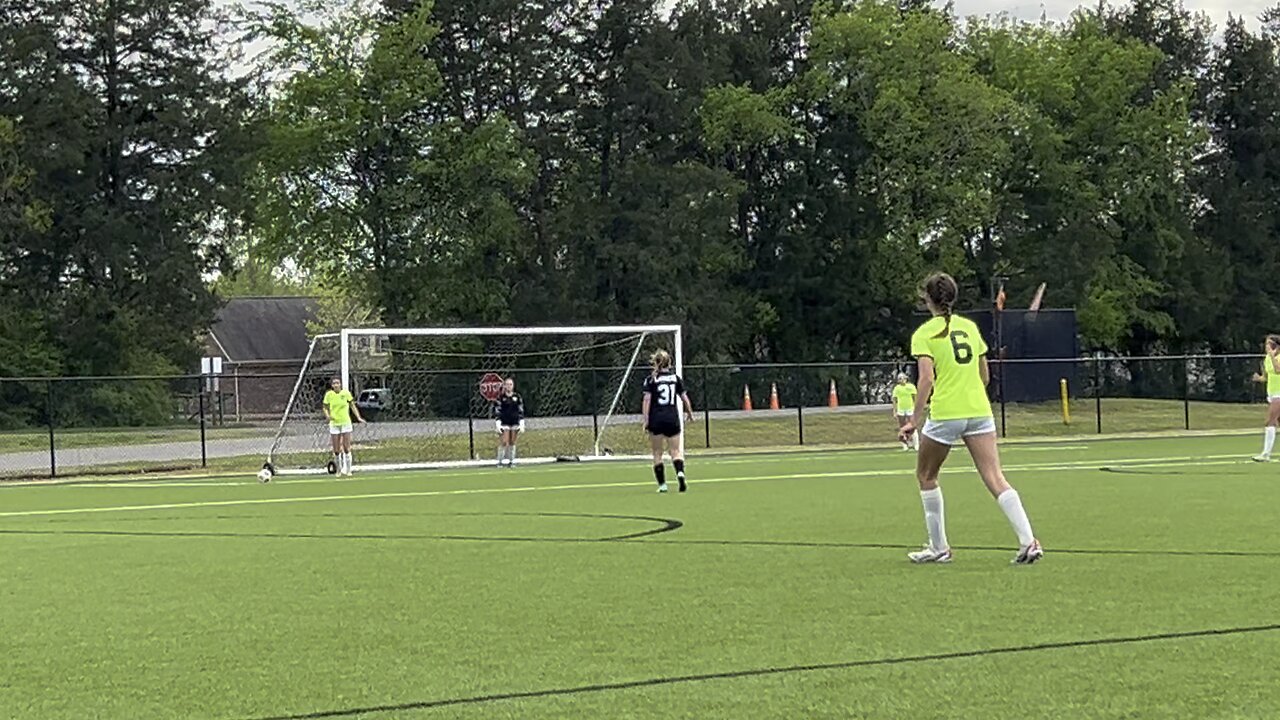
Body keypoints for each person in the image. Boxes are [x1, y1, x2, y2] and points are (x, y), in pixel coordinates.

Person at [898, 272, 1043, 565]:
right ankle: (1028, 541)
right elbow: (985, 376)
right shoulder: (969, 328)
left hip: (947, 413)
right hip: (979, 410)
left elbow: (926, 379)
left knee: (926, 476)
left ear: (928, 299)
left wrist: (914, 419)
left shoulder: (925, 333)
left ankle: (939, 548)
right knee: (995, 477)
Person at [642, 350, 695, 493]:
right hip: (672, 418)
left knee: (657, 453)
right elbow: (684, 398)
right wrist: (689, 413)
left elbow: (647, 400)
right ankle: (680, 473)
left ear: (656, 363)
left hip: (656, 419)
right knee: (676, 451)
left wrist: (646, 419)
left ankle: (662, 485)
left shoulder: (651, 379)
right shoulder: (676, 378)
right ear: (669, 363)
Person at [322, 377, 364, 477]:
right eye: (334, 383)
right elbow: (325, 407)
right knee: (336, 449)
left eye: (337, 383)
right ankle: (338, 470)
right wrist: (327, 416)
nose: (336, 385)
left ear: (340, 384)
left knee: (346, 447)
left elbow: (352, 405)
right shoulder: (329, 395)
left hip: (345, 422)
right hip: (334, 423)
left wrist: (358, 417)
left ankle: (349, 470)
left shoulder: (346, 394)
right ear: (332, 385)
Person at [1251, 335, 1280, 462]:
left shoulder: (1276, 357)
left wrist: (1273, 356)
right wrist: (1259, 378)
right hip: (1272, 393)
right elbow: (1266, 377)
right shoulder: (1267, 358)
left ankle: (1266, 454)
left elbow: (1278, 370)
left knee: (1270, 421)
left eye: (1269, 343)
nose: (1266, 346)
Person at [494, 377, 525, 467]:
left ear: (513, 386)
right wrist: (498, 422)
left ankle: (512, 461)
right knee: (504, 441)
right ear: (504, 386)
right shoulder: (500, 398)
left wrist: (522, 422)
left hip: (514, 421)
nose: (509, 386)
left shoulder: (517, 397)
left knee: (512, 442)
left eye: (510, 384)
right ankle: (500, 461)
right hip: (504, 422)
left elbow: (520, 410)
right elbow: (498, 410)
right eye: (507, 384)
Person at [891, 373, 918, 451]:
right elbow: (894, 400)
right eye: (900, 379)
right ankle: (905, 445)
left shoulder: (911, 387)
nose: (902, 380)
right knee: (902, 427)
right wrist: (894, 411)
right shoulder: (897, 388)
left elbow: (915, 398)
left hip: (910, 408)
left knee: (912, 426)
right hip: (901, 409)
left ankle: (916, 444)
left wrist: (916, 409)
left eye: (903, 378)